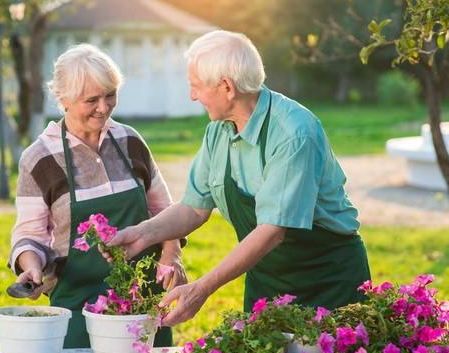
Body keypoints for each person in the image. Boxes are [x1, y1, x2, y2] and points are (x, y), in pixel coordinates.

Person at [102, 30, 371, 327]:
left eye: (196, 87)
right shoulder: (219, 131)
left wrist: (202, 288)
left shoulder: (294, 133)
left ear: (227, 87)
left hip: (329, 280)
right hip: (268, 280)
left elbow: (272, 231)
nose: (192, 96)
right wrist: (143, 233)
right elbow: (193, 208)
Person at [8, 44, 186, 348]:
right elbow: (29, 236)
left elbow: (165, 213)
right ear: (63, 98)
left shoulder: (130, 141)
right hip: (77, 308)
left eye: (110, 95)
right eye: (91, 99)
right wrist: (32, 267)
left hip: (142, 304)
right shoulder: (39, 158)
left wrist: (172, 256)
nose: (103, 107)